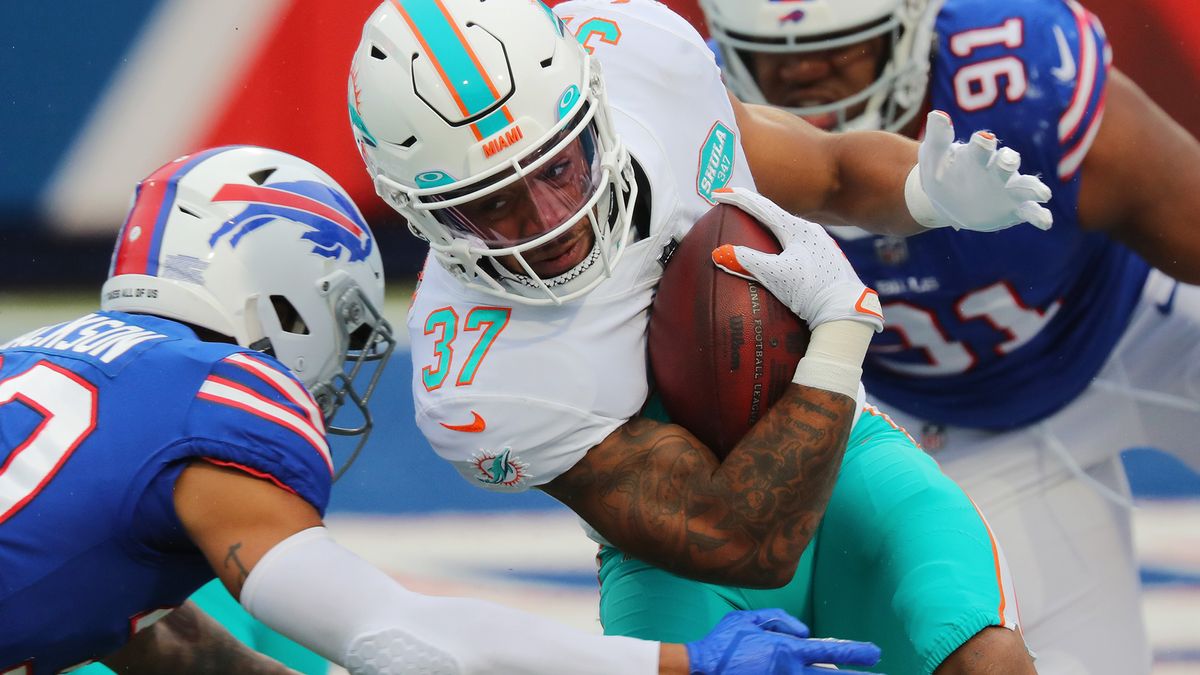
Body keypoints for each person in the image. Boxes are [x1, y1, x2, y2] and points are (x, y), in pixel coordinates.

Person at [347, 0, 1057, 672]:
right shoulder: (477, 377)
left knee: (984, 654)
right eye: (493, 203)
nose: (551, 218)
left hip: (851, 460)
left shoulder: (647, 66)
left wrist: (926, 194)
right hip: (688, 556)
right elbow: (747, 541)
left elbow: (831, 171)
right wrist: (838, 333)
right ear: (422, 217)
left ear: (594, 108)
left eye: (561, 167)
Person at [0, 145, 881, 674]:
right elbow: (400, 641)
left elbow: (182, 655)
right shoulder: (221, 397)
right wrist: (690, 665)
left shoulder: (34, 361)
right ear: (284, 299)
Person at [697, 0, 1200, 672]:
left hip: (1131, 328)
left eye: (843, 47)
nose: (806, 71)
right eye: (775, 56)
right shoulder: (698, 126)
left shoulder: (1018, 78)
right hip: (956, 424)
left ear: (910, 30)